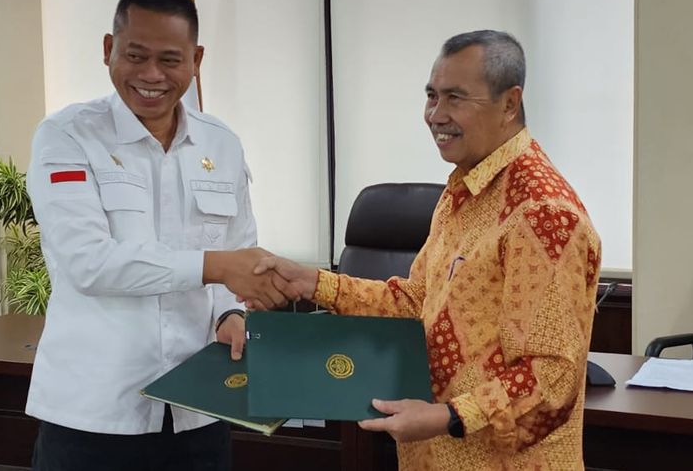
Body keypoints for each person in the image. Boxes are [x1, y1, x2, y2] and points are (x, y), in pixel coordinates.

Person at [251, 30, 601, 470]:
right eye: (432, 96)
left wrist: (448, 416)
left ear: (509, 104)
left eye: (456, 98)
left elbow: (551, 377)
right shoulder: (464, 188)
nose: (436, 115)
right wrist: (315, 283)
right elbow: (418, 301)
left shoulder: (542, 213)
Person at [25, 0, 293, 471]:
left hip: (198, 408)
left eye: (170, 60)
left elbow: (239, 251)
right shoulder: (66, 138)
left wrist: (230, 316)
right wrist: (215, 267)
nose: (151, 75)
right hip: (94, 413)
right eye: (135, 55)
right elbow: (88, 264)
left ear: (196, 60)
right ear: (109, 50)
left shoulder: (222, 144)